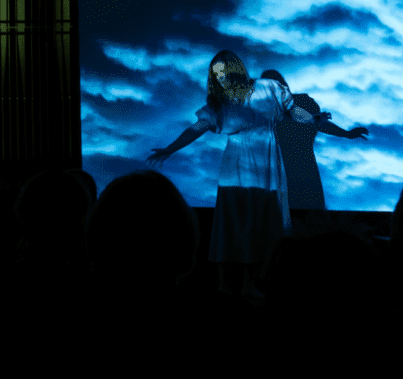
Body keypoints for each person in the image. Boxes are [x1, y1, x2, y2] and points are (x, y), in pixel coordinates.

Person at [146, 50, 328, 300]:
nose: (221, 77)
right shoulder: (219, 105)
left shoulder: (269, 89)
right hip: (236, 171)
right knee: (233, 228)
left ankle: (256, 292)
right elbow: (196, 128)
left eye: (223, 71)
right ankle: (227, 293)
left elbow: (293, 111)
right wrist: (170, 148)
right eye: (216, 74)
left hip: (267, 173)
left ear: (236, 69)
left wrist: (312, 118)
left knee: (263, 231)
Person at [260, 70, 368, 211]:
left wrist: (346, 134)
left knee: (309, 214)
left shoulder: (301, 103)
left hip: (304, 171)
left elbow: (319, 123)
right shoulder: (264, 113)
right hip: (280, 174)